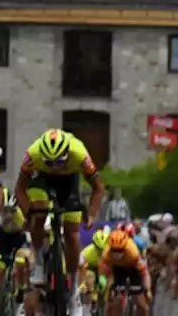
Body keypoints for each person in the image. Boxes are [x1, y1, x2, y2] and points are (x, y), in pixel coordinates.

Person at [15, 128, 106, 307]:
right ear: (43, 156)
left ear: (67, 154)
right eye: (50, 162)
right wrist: (28, 215)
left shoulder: (79, 153)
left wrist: (91, 215)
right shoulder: (33, 154)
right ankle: (40, 262)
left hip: (69, 182)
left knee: (72, 234)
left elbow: (98, 187)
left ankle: (73, 290)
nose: (55, 167)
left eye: (59, 162)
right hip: (41, 180)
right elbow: (20, 188)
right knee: (38, 214)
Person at [99, 226, 151, 316]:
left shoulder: (133, 253)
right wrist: (109, 288)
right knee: (115, 300)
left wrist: (147, 289)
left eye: (120, 250)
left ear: (125, 248)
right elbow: (108, 274)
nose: (116, 254)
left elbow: (144, 273)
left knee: (141, 302)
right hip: (118, 270)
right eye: (114, 250)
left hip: (134, 269)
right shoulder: (106, 255)